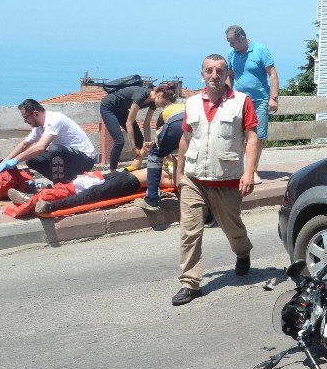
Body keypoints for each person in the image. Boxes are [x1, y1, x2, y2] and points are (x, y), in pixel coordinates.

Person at [171, 54, 259, 306]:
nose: (214, 75)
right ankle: (190, 283)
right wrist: (179, 172)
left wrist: (249, 172)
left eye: (220, 70)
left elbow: (251, 138)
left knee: (232, 227)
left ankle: (243, 252)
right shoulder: (191, 103)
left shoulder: (242, 101)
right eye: (209, 70)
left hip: (226, 177)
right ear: (202, 74)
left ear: (227, 74)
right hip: (194, 178)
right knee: (190, 231)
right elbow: (186, 139)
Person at [225, 25, 278, 184]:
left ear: (242, 38)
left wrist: (273, 98)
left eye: (232, 41)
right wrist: (226, 95)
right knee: (237, 135)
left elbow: (273, 74)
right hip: (239, 100)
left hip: (259, 100)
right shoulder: (231, 54)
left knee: (257, 136)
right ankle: (238, 169)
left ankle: (253, 170)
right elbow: (230, 75)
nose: (230, 45)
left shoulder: (260, 50)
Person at [0, 100, 97, 184]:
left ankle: (60, 186)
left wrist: (16, 160)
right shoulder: (38, 127)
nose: (25, 122)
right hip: (69, 159)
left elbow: (41, 147)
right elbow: (24, 144)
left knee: (55, 149)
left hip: (85, 159)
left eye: (25, 118)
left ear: (35, 113)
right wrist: (6, 160)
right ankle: (66, 182)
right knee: (31, 160)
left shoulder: (54, 119)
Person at [7, 167, 174, 217]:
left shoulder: (167, 176)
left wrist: (174, 170)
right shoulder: (161, 165)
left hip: (129, 182)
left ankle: (50, 206)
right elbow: (138, 161)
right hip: (122, 176)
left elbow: (174, 183)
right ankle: (33, 198)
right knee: (79, 186)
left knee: (90, 194)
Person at [133, 82, 185, 212]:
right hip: (193, 122)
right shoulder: (184, 105)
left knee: (155, 155)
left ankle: (151, 199)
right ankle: (207, 212)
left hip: (176, 122)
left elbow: (160, 139)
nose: (155, 101)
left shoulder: (165, 113)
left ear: (161, 96)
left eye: (156, 98)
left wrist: (158, 149)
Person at [100, 80, 156, 171]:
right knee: (119, 141)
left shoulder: (154, 102)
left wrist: (148, 144)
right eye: (164, 103)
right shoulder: (141, 96)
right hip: (108, 108)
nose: (162, 105)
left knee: (139, 138)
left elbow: (146, 124)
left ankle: (135, 166)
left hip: (122, 110)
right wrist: (133, 148)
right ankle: (112, 171)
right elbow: (129, 123)